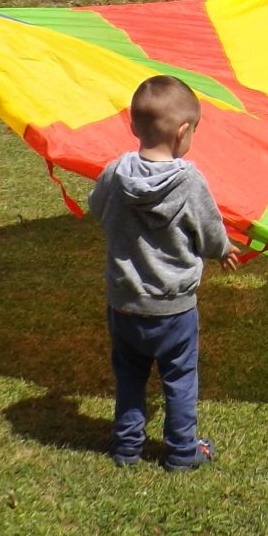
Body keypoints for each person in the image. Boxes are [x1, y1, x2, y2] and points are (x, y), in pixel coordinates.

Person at [90, 75, 236, 471]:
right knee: (179, 380)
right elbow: (208, 231)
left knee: (131, 377)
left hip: (124, 305)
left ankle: (126, 447)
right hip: (173, 309)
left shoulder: (116, 172)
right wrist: (223, 250)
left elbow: (95, 206)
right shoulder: (189, 181)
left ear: (133, 126)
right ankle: (182, 451)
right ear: (183, 131)